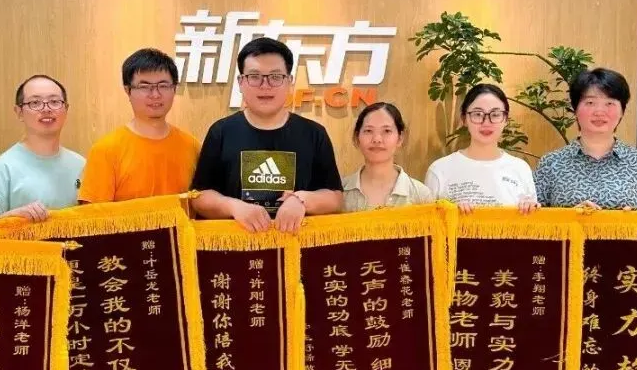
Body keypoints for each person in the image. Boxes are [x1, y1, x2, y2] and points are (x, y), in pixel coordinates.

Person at [191, 37, 343, 233]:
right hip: (237, 244)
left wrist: (302, 200)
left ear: (289, 81)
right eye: (254, 76)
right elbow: (200, 196)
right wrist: (234, 206)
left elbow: (335, 197)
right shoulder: (221, 131)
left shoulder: (314, 133)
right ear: (240, 82)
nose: (265, 85)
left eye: (275, 76)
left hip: (295, 244)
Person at [77, 48, 201, 203]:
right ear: (128, 90)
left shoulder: (192, 146)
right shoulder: (105, 150)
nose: (155, 94)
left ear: (174, 89)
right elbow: (93, 214)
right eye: (144, 86)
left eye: (163, 85)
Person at [534, 68, 637, 210]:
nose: (599, 112)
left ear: (622, 111)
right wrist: (570, 218)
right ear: (575, 109)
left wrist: (633, 219)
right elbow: (533, 220)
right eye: (590, 103)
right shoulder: (551, 163)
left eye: (609, 103)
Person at [0, 74, 86, 225]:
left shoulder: (81, 165)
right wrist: (11, 217)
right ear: (19, 112)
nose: (46, 109)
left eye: (54, 102)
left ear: (66, 109)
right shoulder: (4, 167)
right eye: (35, 103)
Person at [424, 84, 538, 214]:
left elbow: (531, 223)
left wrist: (530, 210)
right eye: (478, 114)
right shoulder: (440, 170)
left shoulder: (520, 169)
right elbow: (427, 221)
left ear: (505, 119)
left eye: (495, 114)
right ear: (464, 119)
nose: (486, 122)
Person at [342, 102, 432, 212]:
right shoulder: (340, 192)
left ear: (400, 138)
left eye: (387, 131)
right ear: (357, 138)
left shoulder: (420, 195)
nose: (377, 139)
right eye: (368, 131)